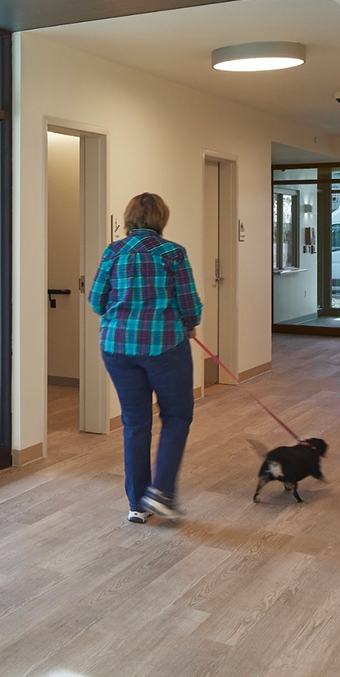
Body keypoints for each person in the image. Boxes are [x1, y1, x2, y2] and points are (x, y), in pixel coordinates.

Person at [88, 192, 202, 523]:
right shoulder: (172, 253)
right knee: (177, 417)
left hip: (116, 347)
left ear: (129, 218)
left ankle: (137, 504)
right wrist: (190, 324)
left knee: (135, 423)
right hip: (164, 346)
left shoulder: (113, 251)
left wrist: (120, 312)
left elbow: (96, 299)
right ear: (160, 219)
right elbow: (189, 303)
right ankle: (162, 493)